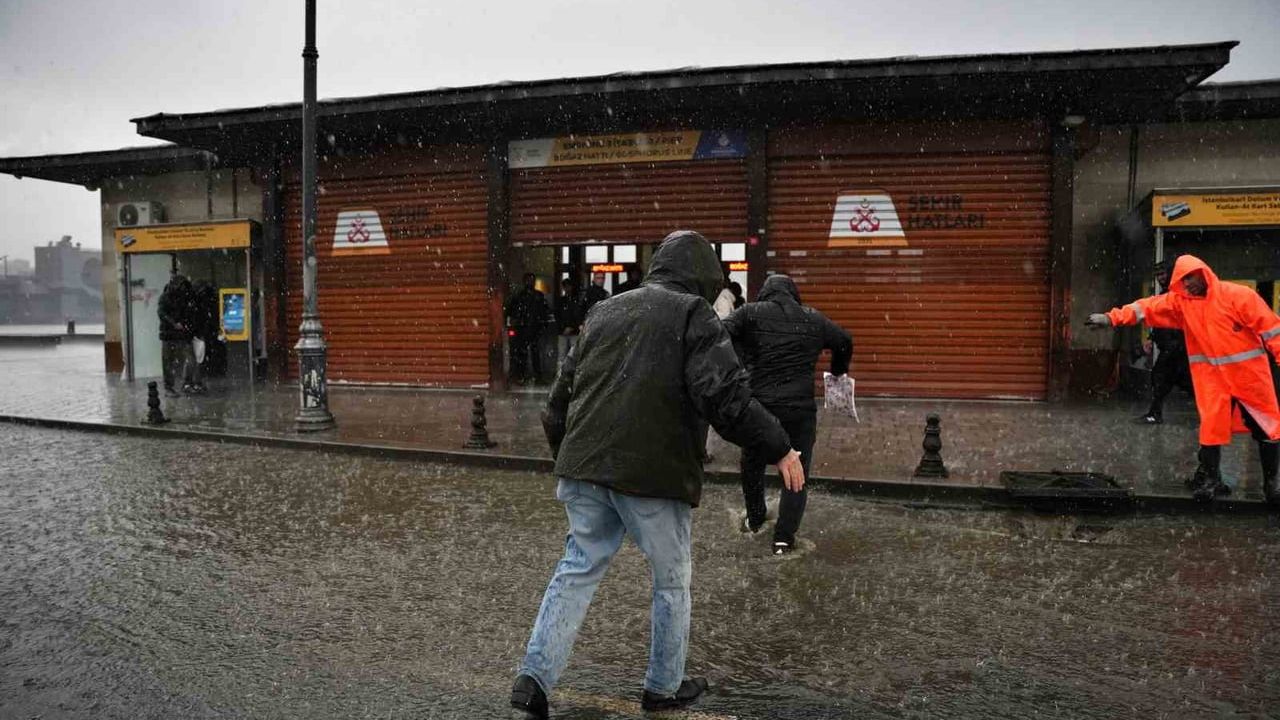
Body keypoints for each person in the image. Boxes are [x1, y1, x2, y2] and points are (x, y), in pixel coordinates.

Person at [510, 231, 804, 719]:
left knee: (576, 571)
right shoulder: (693, 313)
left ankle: (533, 681)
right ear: (702, 277)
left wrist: (572, 458)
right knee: (671, 581)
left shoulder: (605, 310)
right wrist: (779, 445)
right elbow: (725, 397)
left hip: (586, 467)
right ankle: (662, 688)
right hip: (653, 474)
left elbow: (557, 402)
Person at [1087, 255, 1280, 505]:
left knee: (1268, 430)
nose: (1187, 284)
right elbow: (1146, 307)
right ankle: (1210, 481)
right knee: (1211, 430)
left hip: (1249, 377)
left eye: (1190, 278)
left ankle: (1271, 486)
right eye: (1182, 280)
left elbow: (1272, 329)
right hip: (1213, 380)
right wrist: (1111, 318)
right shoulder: (1181, 303)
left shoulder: (1239, 296)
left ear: (1203, 272)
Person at [724, 274, 853, 553]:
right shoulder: (813, 319)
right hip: (799, 411)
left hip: (760, 409)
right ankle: (783, 539)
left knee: (752, 464)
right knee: (797, 473)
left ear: (765, 293)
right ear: (794, 294)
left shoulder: (750, 313)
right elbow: (844, 341)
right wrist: (839, 371)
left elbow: (719, 332)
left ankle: (756, 518)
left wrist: (738, 362)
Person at [1136, 260, 1192, 424]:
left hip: (1177, 347)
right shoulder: (1166, 293)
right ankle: (1155, 412)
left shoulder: (1177, 293)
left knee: (1163, 378)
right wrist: (1152, 338)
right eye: (1157, 275)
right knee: (1173, 380)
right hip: (1173, 347)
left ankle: (1155, 413)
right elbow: (1160, 319)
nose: (1160, 277)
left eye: (1162, 274)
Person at [505, 273, 549, 384]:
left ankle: (533, 377)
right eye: (529, 280)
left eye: (532, 280)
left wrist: (541, 325)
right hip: (523, 329)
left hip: (531, 328)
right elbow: (510, 310)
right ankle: (523, 376)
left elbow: (544, 312)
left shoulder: (536, 295)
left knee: (533, 355)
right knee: (524, 355)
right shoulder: (521, 296)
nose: (531, 282)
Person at [157, 271, 195, 398]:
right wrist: (174, 323)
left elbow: (188, 313)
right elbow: (162, 313)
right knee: (168, 361)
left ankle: (186, 383)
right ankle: (169, 387)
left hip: (182, 334)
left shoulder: (184, 297)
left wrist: (185, 325)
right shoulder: (166, 297)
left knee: (190, 359)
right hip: (169, 334)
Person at [553, 276, 584, 367]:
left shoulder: (565, 301)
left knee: (565, 355)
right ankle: (567, 374)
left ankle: (563, 374)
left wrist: (567, 327)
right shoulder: (574, 301)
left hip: (568, 331)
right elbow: (576, 316)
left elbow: (559, 316)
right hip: (570, 331)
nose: (568, 289)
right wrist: (571, 326)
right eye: (566, 287)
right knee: (570, 355)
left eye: (569, 286)